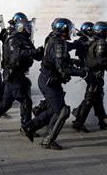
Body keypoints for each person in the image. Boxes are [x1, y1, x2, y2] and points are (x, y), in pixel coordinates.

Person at [25, 18, 86, 149]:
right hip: (49, 81)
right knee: (62, 111)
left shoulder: (52, 38)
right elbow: (62, 67)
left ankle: (30, 126)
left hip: (48, 80)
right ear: (63, 29)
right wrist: (81, 72)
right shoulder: (59, 43)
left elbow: (57, 56)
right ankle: (47, 139)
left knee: (54, 109)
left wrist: (74, 54)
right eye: (68, 29)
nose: (70, 31)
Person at [0, 18, 43, 136]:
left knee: (6, 103)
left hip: (19, 74)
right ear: (21, 28)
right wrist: (34, 52)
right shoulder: (13, 39)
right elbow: (17, 53)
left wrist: (40, 52)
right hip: (13, 74)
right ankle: (25, 127)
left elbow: (35, 55)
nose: (30, 30)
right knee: (25, 101)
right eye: (28, 28)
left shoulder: (26, 40)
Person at [71, 21, 107, 132]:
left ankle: (102, 121)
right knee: (89, 99)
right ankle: (79, 122)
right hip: (95, 74)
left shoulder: (92, 40)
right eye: (106, 31)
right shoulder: (101, 42)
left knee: (97, 98)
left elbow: (100, 54)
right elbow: (101, 60)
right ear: (102, 32)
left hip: (91, 73)